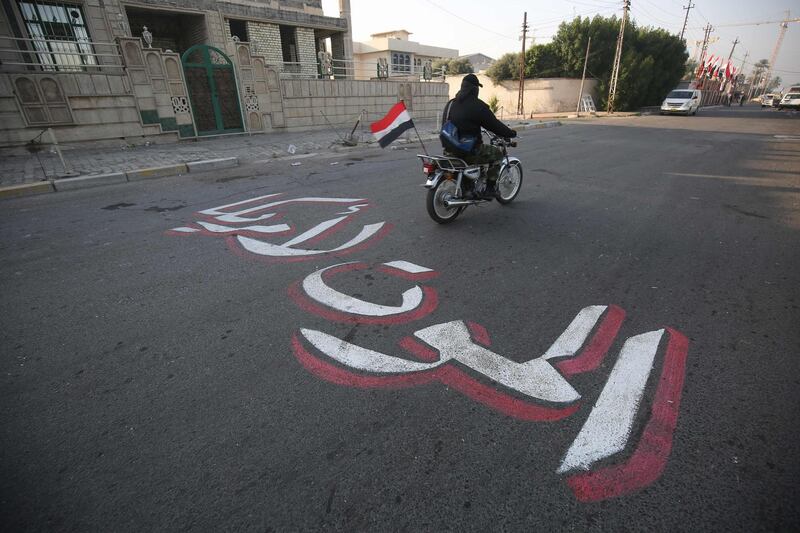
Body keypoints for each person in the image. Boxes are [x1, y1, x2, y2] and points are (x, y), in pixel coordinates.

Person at [441, 74, 517, 198]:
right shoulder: (478, 106)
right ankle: (490, 189)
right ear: (474, 89)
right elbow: (494, 125)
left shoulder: (451, 104)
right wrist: (511, 133)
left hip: (449, 150)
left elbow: (444, 124)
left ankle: (468, 185)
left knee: (473, 155)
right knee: (497, 154)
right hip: (469, 151)